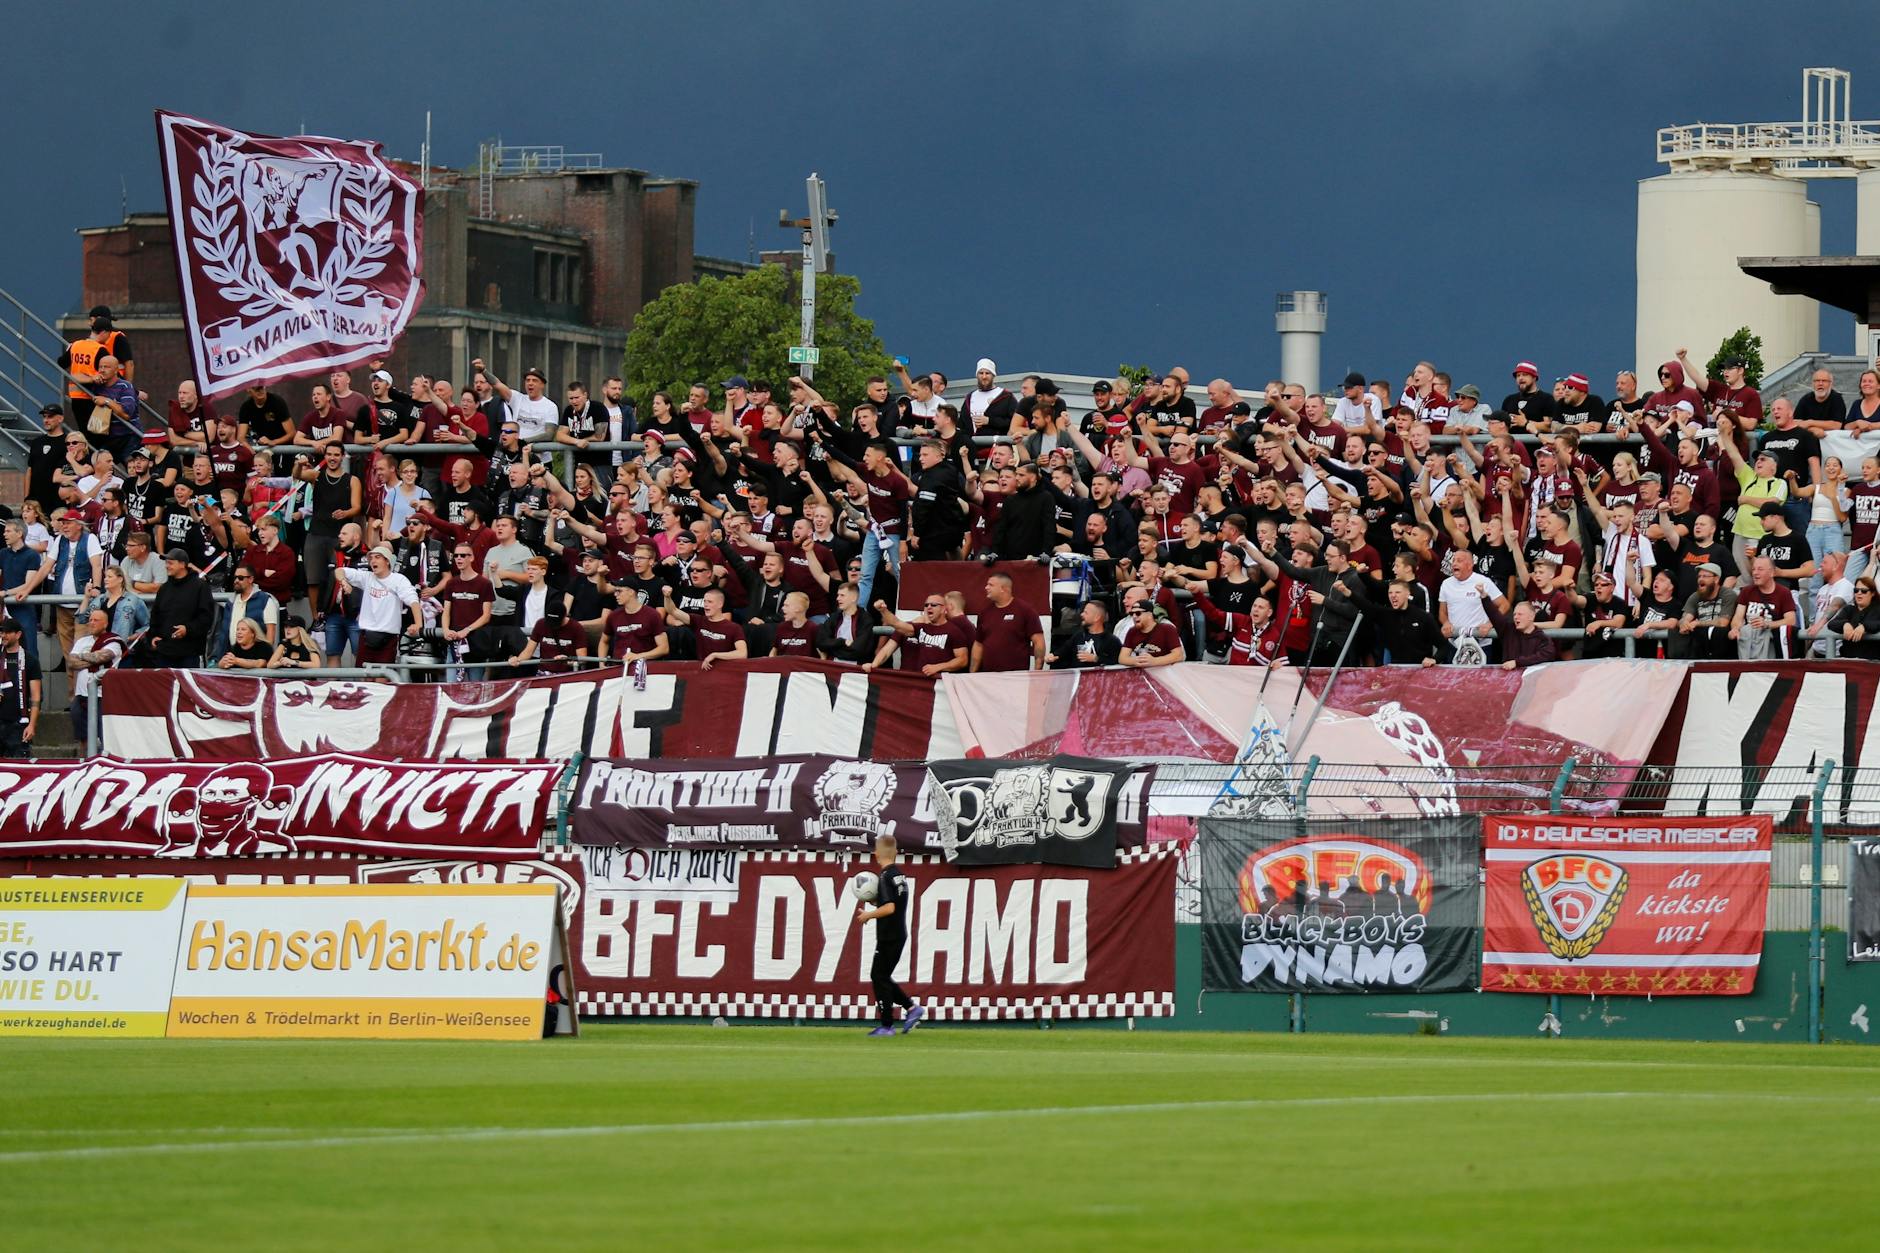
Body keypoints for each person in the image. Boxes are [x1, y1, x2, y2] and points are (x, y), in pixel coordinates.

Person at [855, 834, 923, 1037]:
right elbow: (891, 903)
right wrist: (877, 904)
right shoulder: (898, 875)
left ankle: (887, 1025)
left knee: (879, 976)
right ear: (895, 853)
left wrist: (869, 914)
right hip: (897, 934)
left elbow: (890, 908)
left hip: (889, 936)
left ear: (876, 855)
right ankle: (911, 1009)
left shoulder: (885, 876)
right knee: (881, 976)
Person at [337, 545, 420, 664]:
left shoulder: (398, 580)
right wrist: (344, 582)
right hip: (366, 636)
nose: (373, 561)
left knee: (382, 678)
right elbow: (339, 571)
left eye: (377, 557)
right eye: (371, 558)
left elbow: (413, 600)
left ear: (387, 561)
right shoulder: (367, 577)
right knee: (365, 678)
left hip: (388, 637)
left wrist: (418, 623)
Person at [143, 548, 217, 668]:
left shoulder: (200, 586)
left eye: (170, 563)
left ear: (182, 564)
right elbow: (155, 616)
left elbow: (206, 617)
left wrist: (188, 629)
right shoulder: (164, 588)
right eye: (166, 563)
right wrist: (152, 636)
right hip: (164, 652)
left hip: (190, 653)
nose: (167, 566)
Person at [67, 607, 121, 743]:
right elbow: (71, 663)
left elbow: (102, 657)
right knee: (82, 737)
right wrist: (91, 659)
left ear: (105, 624)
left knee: (105, 737)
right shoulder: (82, 641)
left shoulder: (113, 642)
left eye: (96, 620)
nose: (91, 622)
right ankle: (84, 763)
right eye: (90, 620)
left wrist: (80, 656)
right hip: (81, 696)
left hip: (102, 696)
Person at [0, 617, 41, 757]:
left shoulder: (30, 660)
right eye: (1, 632)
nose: (3, 635)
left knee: (19, 767)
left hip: (18, 724)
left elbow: (36, 697)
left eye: (7, 632)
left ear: (18, 635)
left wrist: (32, 725)